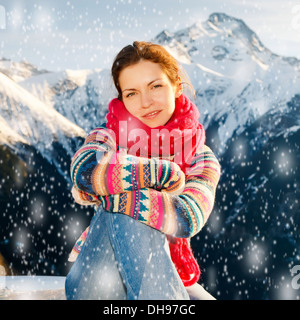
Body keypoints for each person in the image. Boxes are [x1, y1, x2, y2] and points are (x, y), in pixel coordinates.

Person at [65, 41, 221, 300]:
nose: (145, 102)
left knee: (129, 207)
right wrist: (157, 174)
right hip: (96, 283)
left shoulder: (201, 157)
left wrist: (109, 185)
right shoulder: (108, 136)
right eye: (132, 93)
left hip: (168, 277)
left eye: (155, 86)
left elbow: (186, 216)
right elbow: (84, 171)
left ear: (176, 86)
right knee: (131, 211)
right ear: (122, 99)